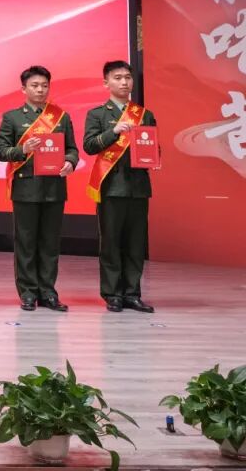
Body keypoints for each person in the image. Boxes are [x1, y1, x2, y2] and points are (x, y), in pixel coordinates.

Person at [0, 65, 78, 312]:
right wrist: (23, 149)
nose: (40, 90)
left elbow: (72, 149)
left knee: (50, 243)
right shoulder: (12, 117)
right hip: (26, 186)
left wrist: (70, 162)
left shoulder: (61, 117)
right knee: (26, 242)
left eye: (44, 85)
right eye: (34, 85)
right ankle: (28, 292)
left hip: (54, 187)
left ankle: (48, 292)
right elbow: (1, 151)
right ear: (24, 89)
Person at [82, 60, 157, 313]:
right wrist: (113, 131)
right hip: (111, 186)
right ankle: (112, 293)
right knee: (111, 242)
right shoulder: (98, 114)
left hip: (138, 187)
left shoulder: (144, 114)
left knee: (136, 243)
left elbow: (153, 145)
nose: (124, 82)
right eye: (118, 78)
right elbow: (89, 146)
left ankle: (132, 293)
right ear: (106, 83)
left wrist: (154, 157)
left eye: (127, 77)